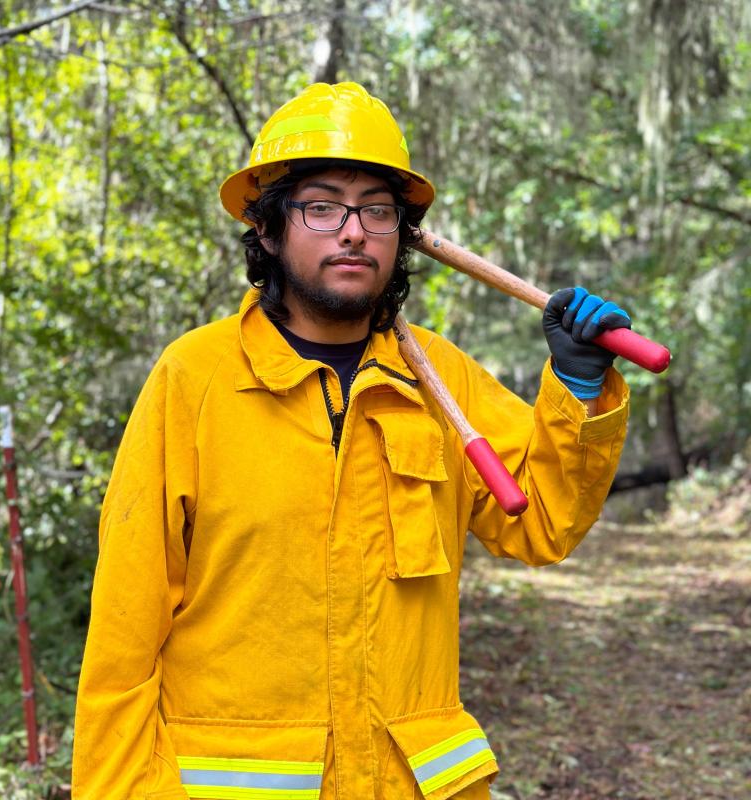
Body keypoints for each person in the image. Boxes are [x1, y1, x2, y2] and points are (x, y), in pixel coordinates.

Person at [72, 82, 630, 800]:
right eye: (322, 206)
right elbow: (122, 638)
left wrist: (577, 387)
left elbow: (543, 522)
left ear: (406, 236)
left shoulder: (440, 379)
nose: (354, 230)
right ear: (269, 230)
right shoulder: (195, 381)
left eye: (377, 209)